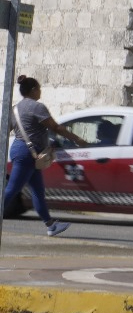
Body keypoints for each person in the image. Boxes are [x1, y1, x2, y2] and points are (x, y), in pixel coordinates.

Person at [3, 75, 89, 235]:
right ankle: (50, 225)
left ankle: (51, 225)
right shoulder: (37, 107)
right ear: (33, 90)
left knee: (38, 190)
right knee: (12, 189)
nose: (40, 92)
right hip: (28, 154)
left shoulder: (14, 109)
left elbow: (5, 131)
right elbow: (56, 128)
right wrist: (77, 139)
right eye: (39, 89)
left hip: (27, 153)